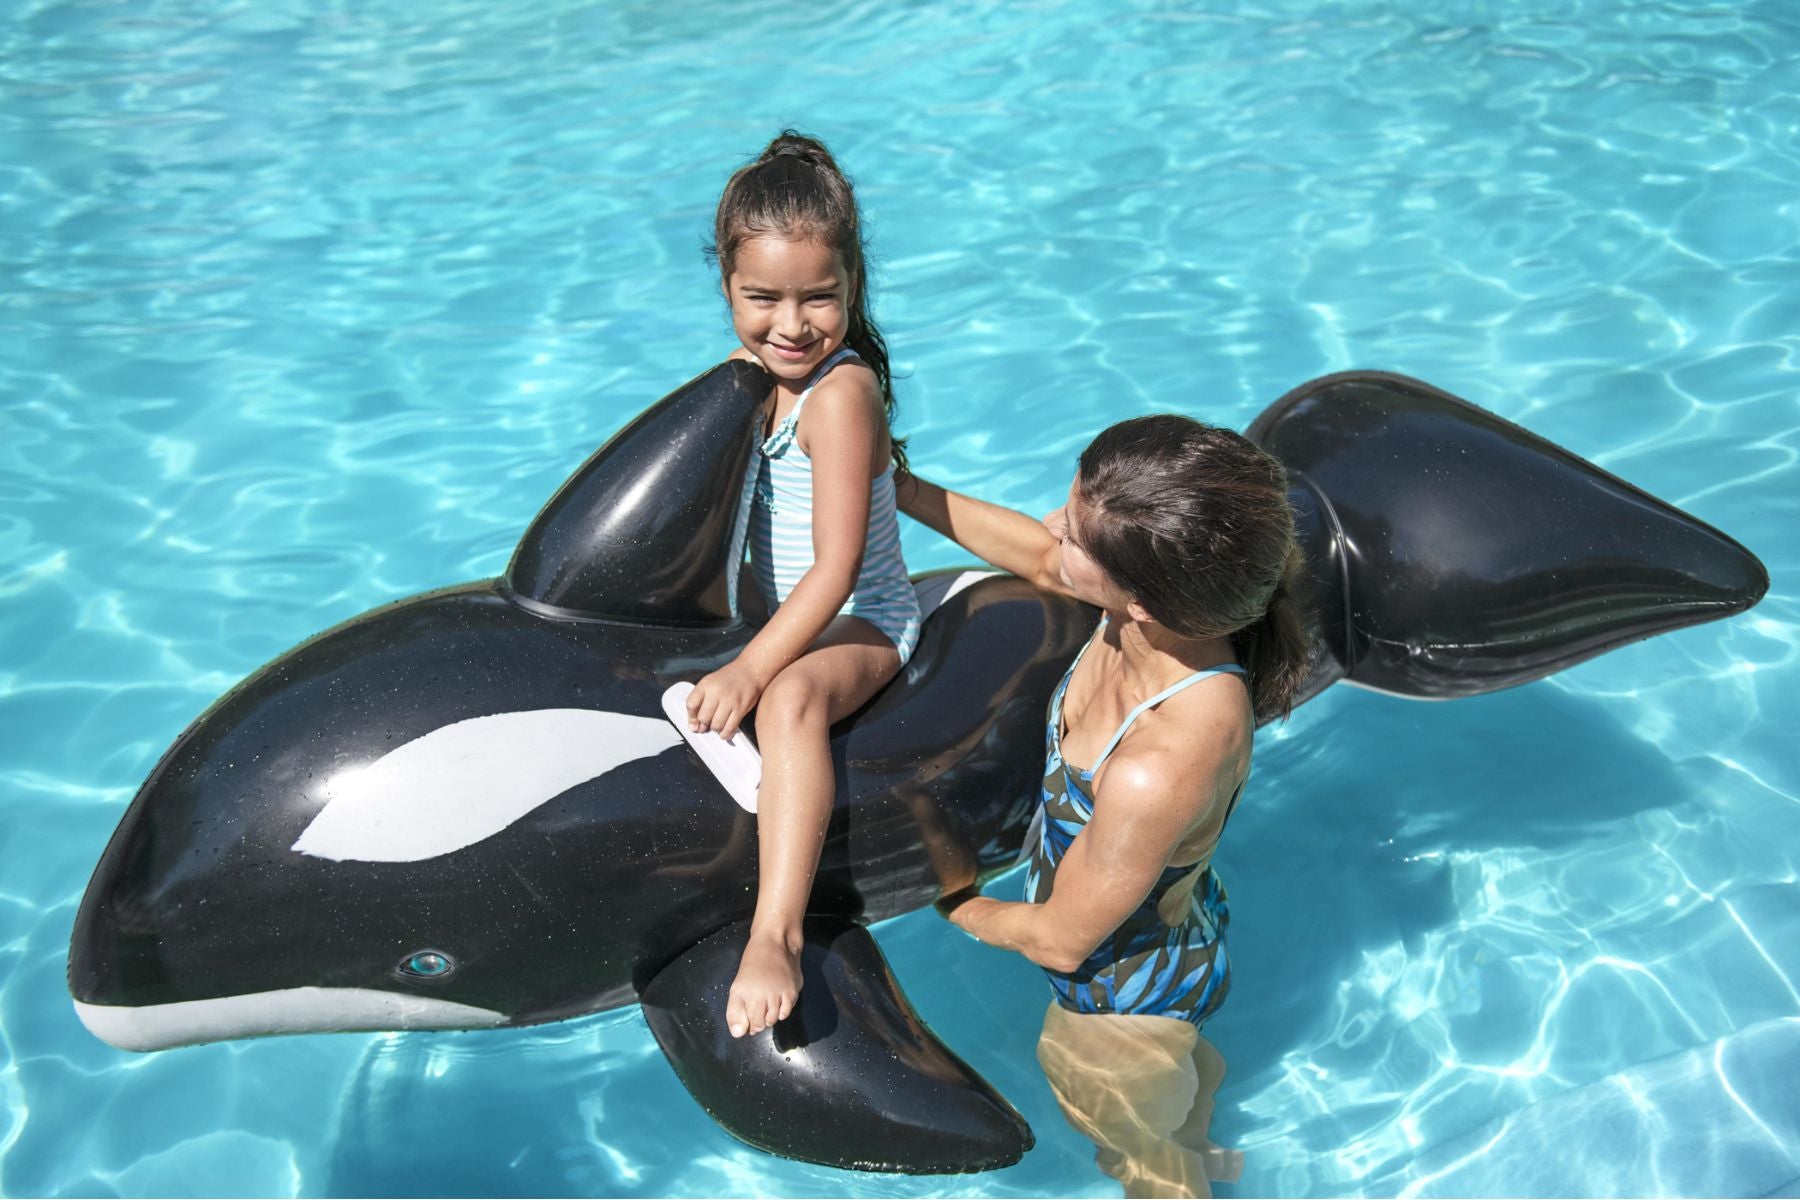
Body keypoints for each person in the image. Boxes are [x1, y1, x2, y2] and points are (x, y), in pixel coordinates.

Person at [896, 416, 1311, 1198]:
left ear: (1146, 600)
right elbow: (1031, 553)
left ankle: (1178, 1156)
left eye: (1076, 537)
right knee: (1170, 1128)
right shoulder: (1164, 624)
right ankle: (1191, 1136)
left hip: (1117, 1010)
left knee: (1143, 1170)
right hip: (1178, 942)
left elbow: (1059, 941)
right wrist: (903, 489)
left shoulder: (1163, 757)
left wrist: (952, 901)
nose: (1053, 528)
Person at [683, 131, 921, 1040]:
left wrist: (750, 669)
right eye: (762, 298)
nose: (792, 323)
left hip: (863, 617)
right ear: (727, 291)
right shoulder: (757, 380)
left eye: (819, 297)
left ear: (852, 287)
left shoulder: (840, 394)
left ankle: (775, 931)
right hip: (795, 611)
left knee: (785, 704)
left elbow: (838, 568)